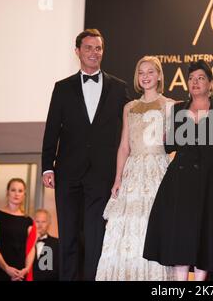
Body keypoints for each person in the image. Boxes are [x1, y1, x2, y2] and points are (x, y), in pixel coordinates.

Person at [42, 29, 131, 280]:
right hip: (68, 173)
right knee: (68, 234)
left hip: (102, 174)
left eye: (98, 48)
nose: (94, 52)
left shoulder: (119, 88)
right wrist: (47, 166)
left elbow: (129, 129)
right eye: (89, 48)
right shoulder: (62, 88)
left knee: (96, 237)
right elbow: (52, 129)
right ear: (78, 52)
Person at [143, 60, 213, 281]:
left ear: (210, 83)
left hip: (210, 180)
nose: (195, 82)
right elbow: (170, 145)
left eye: (200, 78)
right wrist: (164, 135)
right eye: (191, 79)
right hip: (180, 179)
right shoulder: (178, 109)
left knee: (205, 234)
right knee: (181, 234)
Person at [96, 56, 174, 280]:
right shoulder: (129, 107)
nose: (146, 76)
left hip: (157, 170)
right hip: (132, 173)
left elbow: (173, 144)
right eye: (141, 72)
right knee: (125, 226)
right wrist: (118, 178)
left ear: (159, 75)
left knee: (152, 223)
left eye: (151, 72)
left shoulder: (170, 105)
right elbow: (123, 146)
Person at [0, 178, 36, 281]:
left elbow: (31, 248)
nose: (16, 194)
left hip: (20, 274)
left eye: (20, 191)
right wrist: (6, 268)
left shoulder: (28, 221)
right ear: (7, 192)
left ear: (24, 195)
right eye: (13, 190)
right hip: (0, 272)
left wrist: (26, 269)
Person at [33, 209, 59, 281]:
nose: (40, 225)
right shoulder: (25, 242)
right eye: (37, 221)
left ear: (49, 224)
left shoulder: (57, 244)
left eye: (43, 222)